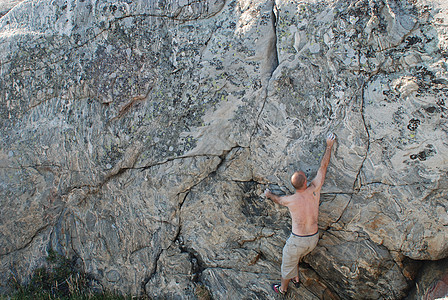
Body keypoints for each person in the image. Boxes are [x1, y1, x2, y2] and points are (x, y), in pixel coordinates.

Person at [265, 133, 336, 295]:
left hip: (298, 241)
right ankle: (296, 278)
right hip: (313, 238)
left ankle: (282, 289)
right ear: (305, 182)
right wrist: (329, 145)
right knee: (296, 255)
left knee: (287, 261)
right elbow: (323, 167)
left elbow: (277, 199)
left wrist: (269, 195)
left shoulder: (289, 200)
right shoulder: (314, 190)